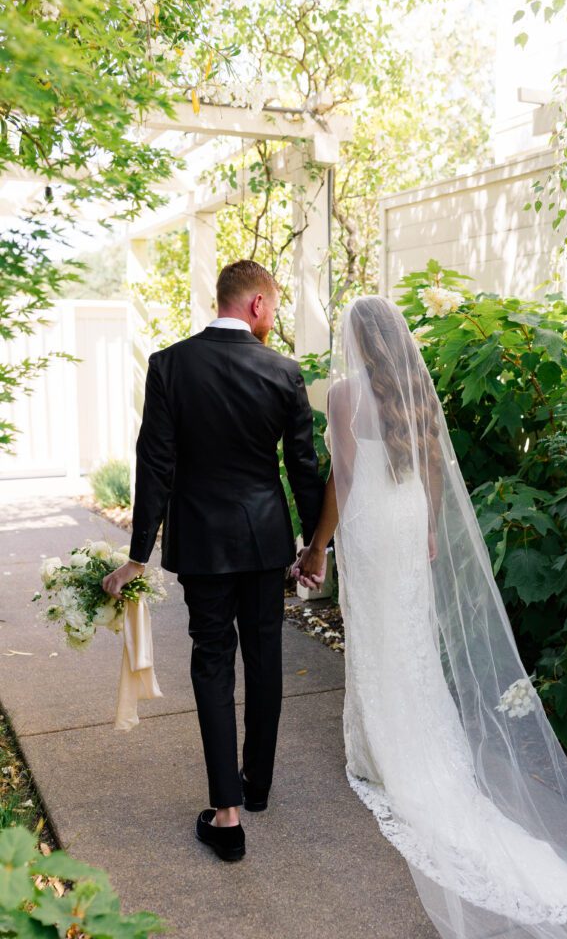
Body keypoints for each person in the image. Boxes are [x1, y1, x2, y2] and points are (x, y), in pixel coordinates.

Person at [292, 294, 567, 939]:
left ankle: (378, 754)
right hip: (410, 518)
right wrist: (429, 530)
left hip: (371, 524)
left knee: (379, 634)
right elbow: (433, 468)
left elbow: (344, 479)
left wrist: (320, 544)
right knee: (410, 633)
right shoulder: (416, 387)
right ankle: (410, 745)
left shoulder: (340, 395)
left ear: (354, 341)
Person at [102, 260, 324, 862]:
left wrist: (137, 557)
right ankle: (259, 788)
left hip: (200, 542)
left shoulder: (169, 365)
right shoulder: (283, 371)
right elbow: (305, 468)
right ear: (255, 304)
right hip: (264, 540)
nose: (272, 319)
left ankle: (226, 814)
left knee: (212, 664)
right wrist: (314, 546)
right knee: (265, 657)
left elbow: (156, 463)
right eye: (273, 308)